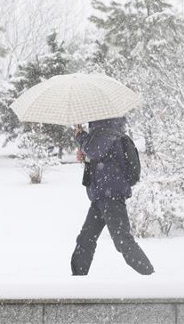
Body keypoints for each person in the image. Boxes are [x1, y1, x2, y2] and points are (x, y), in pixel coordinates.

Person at [70, 117, 154, 276]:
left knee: (122, 241)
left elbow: (94, 150)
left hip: (111, 197)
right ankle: (78, 281)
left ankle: (150, 277)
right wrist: (85, 157)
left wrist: (80, 136)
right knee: (85, 240)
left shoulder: (108, 129)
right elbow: (100, 159)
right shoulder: (100, 133)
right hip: (101, 197)